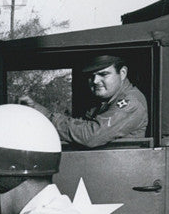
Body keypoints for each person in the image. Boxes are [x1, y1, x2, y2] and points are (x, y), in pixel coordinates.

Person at [19, 54, 147, 148]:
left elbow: (91, 135)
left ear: (123, 73)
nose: (95, 81)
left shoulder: (131, 102)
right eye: (91, 76)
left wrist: (47, 117)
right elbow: (79, 126)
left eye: (103, 74)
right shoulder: (104, 103)